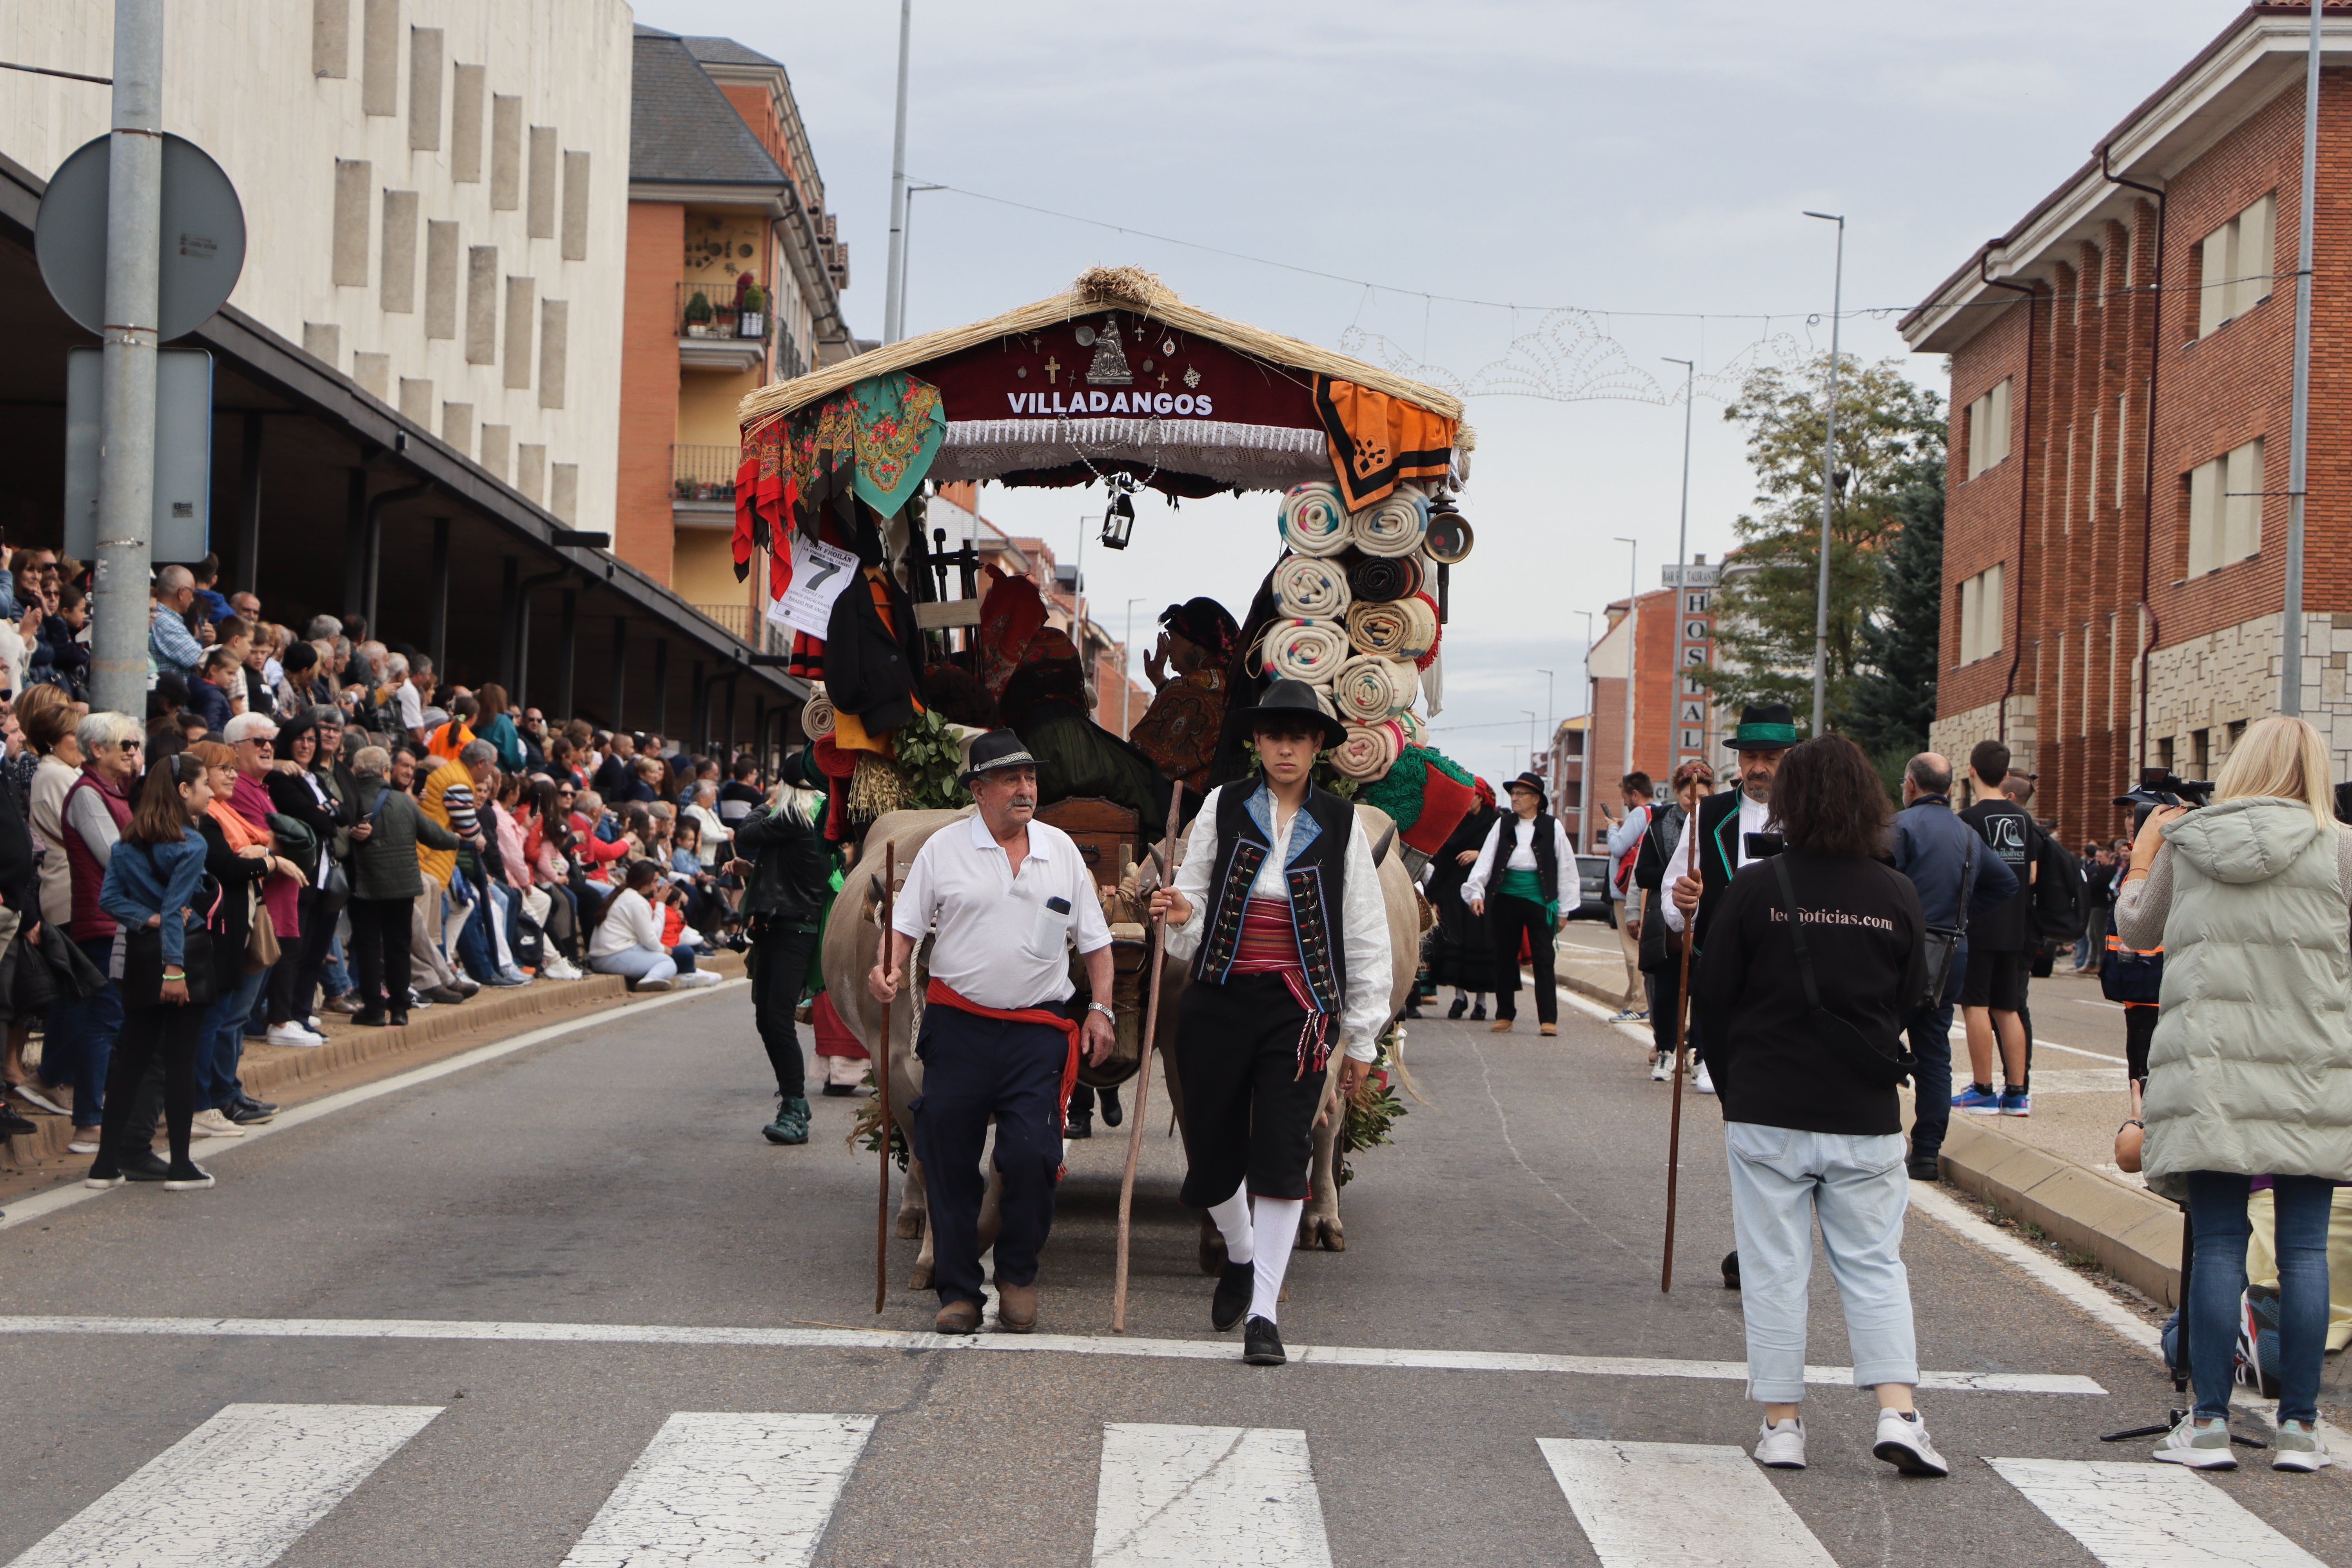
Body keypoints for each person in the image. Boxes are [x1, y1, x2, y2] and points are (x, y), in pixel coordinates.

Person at [1690, 733, 1944, 1479]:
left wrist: (1738, 1092)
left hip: (1768, 1103)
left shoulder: (1758, 888)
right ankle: (1898, 1412)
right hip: (1862, 1110)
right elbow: (1910, 1000)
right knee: (1873, 1265)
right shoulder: (1895, 893)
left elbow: (1714, 999)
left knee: (1774, 1267)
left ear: (1791, 803)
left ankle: (1783, 1425)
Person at [2113, 714, 2350, 1473]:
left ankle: (2209, 1424)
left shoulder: (2191, 843)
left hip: (2211, 1069)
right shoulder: (2342, 848)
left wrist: (2145, 854)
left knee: (2219, 1243)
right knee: (2304, 1248)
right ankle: (2302, 1430)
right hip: (2312, 1067)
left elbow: (2135, 929)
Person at [1151, 682, 1387, 1365]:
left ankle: (1264, 1313)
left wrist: (1364, 1039)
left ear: (1318, 747)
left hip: (1303, 1012)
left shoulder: (1343, 825)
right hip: (1219, 999)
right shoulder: (1222, 806)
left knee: (1284, 1156)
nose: (1286, 747)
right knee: (1213, 1154)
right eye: (1273, 736)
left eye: (1300, 737)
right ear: (1257, 743)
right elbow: (1193, 899)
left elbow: (1367, 935)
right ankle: (1242, 1254)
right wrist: (1179, 912)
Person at [871, 729, 1116, 1336]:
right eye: (1010, 779)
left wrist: (1102, 1008)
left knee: (1031, 1156)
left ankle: (1017, 1276)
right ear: (978, 791)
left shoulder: (1061, 850)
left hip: (1037, 1031)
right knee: (946, 1157)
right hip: (960, 1029)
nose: (1025, 789)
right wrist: (888, 966)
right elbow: (906, 925)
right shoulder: (943, 850)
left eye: (1030, 778)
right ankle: (958, 1289)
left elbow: (1097, 942)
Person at [85, 753, 221, 1193]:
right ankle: (181, 1165)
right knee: (181, 1061)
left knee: (133, 1060)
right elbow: (176, 908)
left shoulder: (127, 842)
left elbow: (110, 901)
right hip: (182, 957)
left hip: (140, 955)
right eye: (205, 785)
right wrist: (175, 966)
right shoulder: (191, 843)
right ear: (184, 791)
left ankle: (105, 1165)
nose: (211, 792)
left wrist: (149, 919)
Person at [1886, 752, 2017, 1180]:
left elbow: (1879, 885)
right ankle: (1926, 1151)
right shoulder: (1967, 834)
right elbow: (2006, 883)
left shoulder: (1899, 827)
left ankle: (1879, 1135)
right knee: (1936, 1053)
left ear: (1910, 785)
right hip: (1950, 955)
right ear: (1948, 788)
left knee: (1876, 1035)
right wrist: (1962, 916)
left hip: (1901, 952)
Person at [1667, 702, 1800, 1101]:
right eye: (1750, 757)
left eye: (1771, 758)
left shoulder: (1810, 816)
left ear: (1791, 759)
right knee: (1735, 1092)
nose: (1758, 768)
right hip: (1723, 962)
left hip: (1791, 965)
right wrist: (1681, 900)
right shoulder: (1708, 814)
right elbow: (1674, 888)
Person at [728, 766, 831, 1143]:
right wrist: (752, 870)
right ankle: (793, 1100)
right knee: (767, 1019)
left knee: (777, 1017)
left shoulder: (790, 816)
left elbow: (747, 832)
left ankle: (794, 1106)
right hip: (780, 926)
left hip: (793, 929)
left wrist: (766, 802)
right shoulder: (808, 820)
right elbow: (791, 869)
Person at [58, 711, 143, 1156]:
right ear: (97, 749)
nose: (132, 753)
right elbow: (117, 859)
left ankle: (105, 1111)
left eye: (135, 745)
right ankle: (88, 1121)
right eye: (124, 745)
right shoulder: (89, 794)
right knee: (104, 1019)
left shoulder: (117, 791)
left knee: (117, 1019)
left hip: (121, 921)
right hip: (103, 922)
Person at [187, 740, 282, 1132]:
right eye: (222, 768)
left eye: (231, 768)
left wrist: (260, 857)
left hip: (237, 926)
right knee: (217, 1021)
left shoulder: (224, 812)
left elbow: (261, 844)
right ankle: (210, 1101)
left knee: (231, 1017)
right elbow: (226, 866)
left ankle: (224, 1093)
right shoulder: (205, 820)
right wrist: (271, 861)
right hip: (217, 932)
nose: (230, 775)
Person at [344, 745, 457, 1026]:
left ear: (356, 772)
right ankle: (400, 1009)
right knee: (398, 947)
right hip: (403, 887)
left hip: (365, 887)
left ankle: (373, 1009)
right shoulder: (404, 802)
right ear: (386, 771)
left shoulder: (351, 801)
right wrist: (459, 839)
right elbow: (433, 835)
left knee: (369, 947)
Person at [1954, 741, 2038, 1116]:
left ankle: (1984, 1088)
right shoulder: (2023, 817)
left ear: (1971, 771)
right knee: (2009, 1007)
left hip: (1980, 922)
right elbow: (2032, 873)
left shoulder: (1969, 819)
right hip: (2015, 922)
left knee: (1975, 1004)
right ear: (2006, 776)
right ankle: (2018, 1092)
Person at [1463, 771, 1573, 1036]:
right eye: (1513, 794)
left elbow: (1567, 868)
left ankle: (1548, 1019)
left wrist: (1565, 909)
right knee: (1504, 958)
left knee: (1544, 960)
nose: (1515, 798)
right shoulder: (1502, 825)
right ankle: (1504, 1015)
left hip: (1541, 900)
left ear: (1536, 799)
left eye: (1521, 794)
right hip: (1506, 898)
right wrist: (1476, 893)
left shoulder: (1553, 826)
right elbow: (1486, 860)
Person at [1637, 760, 1716, 1081]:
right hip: (1668, 919)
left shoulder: (1716, 823)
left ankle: (1699, 1053)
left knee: (1704, 988)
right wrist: (1675, 873)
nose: (1693, 801)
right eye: (1687, 795)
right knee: (1668, 989)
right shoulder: (1659, 825)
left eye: (1701, 795)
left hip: (1706, 918)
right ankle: (1666, 1050)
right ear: (1678, 793)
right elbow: (1642, 873)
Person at [1128, 596, 1241, 797]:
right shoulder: (1233, 686)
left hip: (1174, 812)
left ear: (1194, 642)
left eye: (1172, 638)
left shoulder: (1184, 688)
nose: (1169, 648)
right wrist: (1160, 680)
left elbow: (1137, 761)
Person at [1425, 777, 1496, 1021]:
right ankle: (1459, 997)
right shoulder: (1456, 821)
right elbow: (1443, 860)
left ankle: (1482, 1002)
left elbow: (1503, 852)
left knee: (1479, 943)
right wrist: (1435, 898)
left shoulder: (1494, 822)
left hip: (1483, 892)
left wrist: (1480, 854)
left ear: (1481, 797)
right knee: (1455, 941)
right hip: (1454, 890)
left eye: (1473, 795)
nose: (1468, 801)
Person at [586, 859, 718, 991]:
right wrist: (660, 905)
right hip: (610, 957)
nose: (657, 886)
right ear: (644, 884)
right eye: (655, 881)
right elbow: (652, 939)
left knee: (682, 953)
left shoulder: (628, 895)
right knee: (667, 962)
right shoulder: (636, 901)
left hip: (613, 954)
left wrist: (663, 949)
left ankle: (689, 975)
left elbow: (650, 940)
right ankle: (651, 979)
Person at [1600, 772, 1653, 1021]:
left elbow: (1618, 847)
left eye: (1625, 797)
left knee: (1632, 949)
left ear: (1635, 794)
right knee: (1641, 948)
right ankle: (1634, 1000)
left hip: (1627, 892)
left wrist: (1612, 829)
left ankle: (1640, 1005)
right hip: (1646, 891)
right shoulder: (1660, 811)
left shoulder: (1640, 813)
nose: (1625, 803)